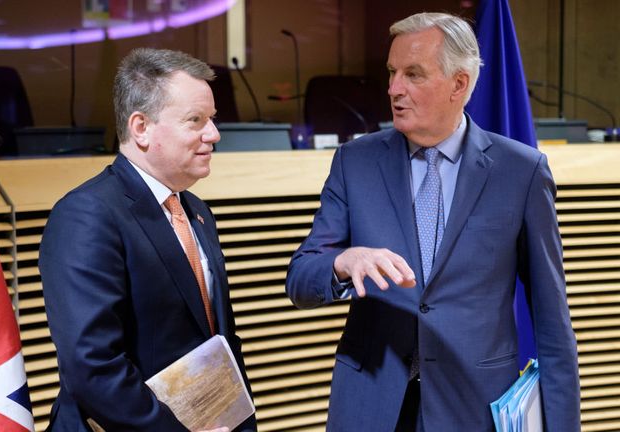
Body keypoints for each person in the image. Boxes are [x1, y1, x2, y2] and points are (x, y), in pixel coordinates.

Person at [285, 12, 580, 432]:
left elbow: (552, 320)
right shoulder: (356, 161)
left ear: (459, 84)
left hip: (475, 406)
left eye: (413, 74)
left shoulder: (521, 171)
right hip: (371, 404)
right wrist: (342, 262)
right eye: (391, 73)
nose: (394, 89)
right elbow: (300, 278)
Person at [39, 48, 257, 432]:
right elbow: (93, 367)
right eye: (196, 120)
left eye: (212, 120)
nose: (214, 134)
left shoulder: (196, 211)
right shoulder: (87, 215)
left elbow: (218, 341)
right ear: (141, 128)